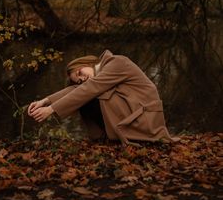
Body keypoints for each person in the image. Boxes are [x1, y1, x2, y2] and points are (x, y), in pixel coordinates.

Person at [28, 49, 179, 145]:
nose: (82, 78)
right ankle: (103, 137)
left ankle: (104, 137)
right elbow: (81, 88)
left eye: (80, 73)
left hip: (146, 120)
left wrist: (51, 109)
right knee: (82, 91)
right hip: (136, 115)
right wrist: (45, 101)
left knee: (86, 93)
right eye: (78, 79)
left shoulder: (117, 62)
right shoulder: (96, 78)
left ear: (87, 62)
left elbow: (90, 88)